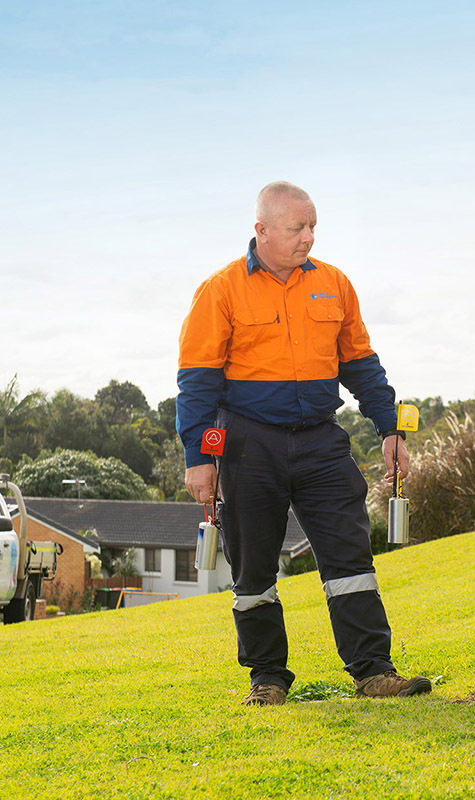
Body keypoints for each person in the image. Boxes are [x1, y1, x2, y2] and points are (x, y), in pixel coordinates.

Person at [176, 181, 432, 706]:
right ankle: (266, 679)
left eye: (313, 226)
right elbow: (197, 383)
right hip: (247, 444)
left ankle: (374, 673)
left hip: (320, 441)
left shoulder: (334, 283)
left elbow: (361, 364)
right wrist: (199, 458)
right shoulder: (220, 290)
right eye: (297, 228)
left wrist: (389, 427)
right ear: (262, 230)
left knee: (350, 556)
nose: (308, 238)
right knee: (253, 570)